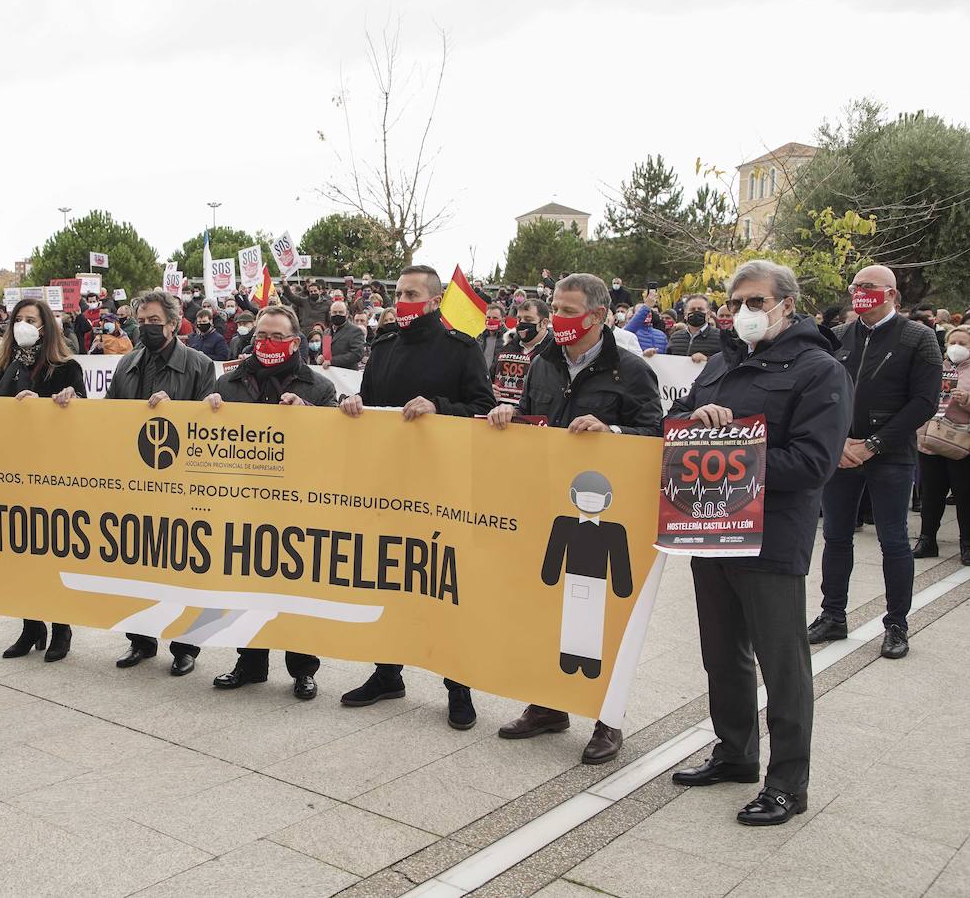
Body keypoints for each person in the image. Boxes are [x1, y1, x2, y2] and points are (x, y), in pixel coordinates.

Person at [662, 260, 852, 826]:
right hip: (708, 528)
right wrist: (697, 417)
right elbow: (672, 423)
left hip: (772, 538)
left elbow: (815, 463)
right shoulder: (720, 362)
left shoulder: (820, 370)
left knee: (782, 664)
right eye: (735, 301)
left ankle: (788, 782)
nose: (742, 311)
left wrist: (735, 450)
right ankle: (735, 753)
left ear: (785, 304)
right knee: (721, 654)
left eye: (754, 301)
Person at [488, 273, 661, 764]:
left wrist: (613, 429)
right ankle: (547, 706)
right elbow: (531, 418)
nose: (558, 318)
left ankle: (608, 719)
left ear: (598, 316)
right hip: (548, 508)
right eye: (555, 309)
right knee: (545, 612)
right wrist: (508, 418)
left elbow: (654, 433)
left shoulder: (629, 370)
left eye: (568, 310)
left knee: (603, 623)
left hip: (607, 512)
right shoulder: (541, 364)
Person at [338, 264, 496, 730]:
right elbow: (371, 406)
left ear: (432, 302)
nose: (400, 300)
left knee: (443, 587)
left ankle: (458, 687)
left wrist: (439, 408)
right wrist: (354, 409)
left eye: (410, 294)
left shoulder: (459, 350)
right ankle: (388, 674)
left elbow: (483, 410)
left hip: (441, 492)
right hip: (388, 488)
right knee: (388, 579)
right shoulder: (383, 346)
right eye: (397, 292)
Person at [810, 265, 941, 660]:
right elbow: (820, 393)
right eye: (854, 286)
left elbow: (923, 402)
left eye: (867, 287)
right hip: (842, 454)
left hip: (891, 455)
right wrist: (840, 443)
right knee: (835, 536)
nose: (859, 292)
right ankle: (833, 614)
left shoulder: (919, 338)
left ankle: (897, 624)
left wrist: (874, 444)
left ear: (890, 293)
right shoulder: (837, 337)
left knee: (894, 540)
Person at [204, 305, 335, 699]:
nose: (267, 343)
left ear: (295, 341)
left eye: (277, 337)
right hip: (244, 503)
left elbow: (336, 444)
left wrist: (308, 413)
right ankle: (250, 663)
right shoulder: (230, 383)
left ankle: (303, 669)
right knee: (246, 584)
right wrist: (207, 411)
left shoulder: (319, 386)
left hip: (298, 504)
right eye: (261, 336)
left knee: (296, 588)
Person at [95, 290, 216, 675]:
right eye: (141, 321)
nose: (147, 327)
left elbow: (207, 423)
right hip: (135, 482)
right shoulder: (127, 363)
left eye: (154, 321)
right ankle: (141, 640)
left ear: (173, 322)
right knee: (138, 563)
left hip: (182, 484)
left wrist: (177, 410)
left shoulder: (199, 365)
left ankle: (185, 647)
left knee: (185, 567)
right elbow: (111, 418)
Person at [0, 299, 87, 662]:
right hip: (12, 474)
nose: (23, 325)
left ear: (45, 327)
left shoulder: (66, 368)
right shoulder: (6, 367)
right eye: (18, 319)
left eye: (31, 320)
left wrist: (58, 401)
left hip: (51, 476)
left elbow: (85, 415)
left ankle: (62, 628)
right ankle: (31, 627)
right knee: (19, 554)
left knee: (52, 553)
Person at [914, 326, 970, 563]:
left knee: (964, 494)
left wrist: (966, 400)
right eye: (953, 341)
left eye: (964, 343)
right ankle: (927, 540)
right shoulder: (935, 367)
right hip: (931, 440)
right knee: (931, 493)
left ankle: (966, 543)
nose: (957, 347)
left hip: (961, 443)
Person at [668, 294, 723, 361]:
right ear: (685, 314)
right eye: (692, 309)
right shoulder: (675, 337)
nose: (696, 312)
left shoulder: (720, 337)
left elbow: (727, 362)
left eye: (700, 309)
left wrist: (707, 360)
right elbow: (667, 360)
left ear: (708, 314)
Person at [322, 299, 366, 369]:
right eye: (334, 312)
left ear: (347, 313)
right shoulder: (327, 332)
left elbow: (357, 354)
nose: (337, 314)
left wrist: (332, 361)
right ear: (330, 314)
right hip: (328, 373)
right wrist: (320, 356)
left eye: (341, 312)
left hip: (346, 375)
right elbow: (324, 351)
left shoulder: (355, 331)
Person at [476, 303, 509, 372]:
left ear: (503, 320)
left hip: (497, 379)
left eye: (495, 318)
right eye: (488, 317)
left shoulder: (509, 338)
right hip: (480, 377)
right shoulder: (480, 337)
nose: (491, 320)